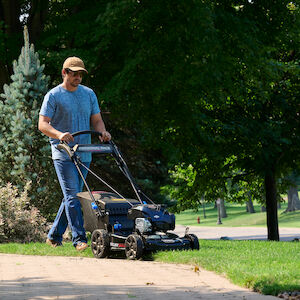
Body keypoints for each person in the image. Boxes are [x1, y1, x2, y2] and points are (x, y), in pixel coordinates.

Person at [38, 56, 111, 251]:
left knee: (74, 196)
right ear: (64, 73)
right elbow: (43, 124)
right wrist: (59, 134)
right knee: (72, 196)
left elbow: (96, 120)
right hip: (63, 153)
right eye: (74, 73)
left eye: (80, 74)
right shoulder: (53, 96)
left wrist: (102, 131)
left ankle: (54, 236)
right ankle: (79, 239)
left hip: (84, 152)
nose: (78, 77)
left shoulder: (88, 94)